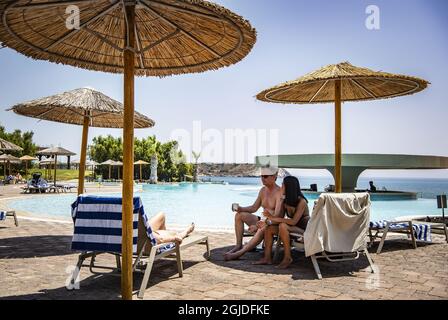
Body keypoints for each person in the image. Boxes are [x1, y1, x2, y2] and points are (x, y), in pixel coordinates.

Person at [224, 166, 282, 261]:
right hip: (262, 220)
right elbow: (254, 208)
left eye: (266, 176)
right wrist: (240, 208)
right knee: (239, 215)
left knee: (262, 227)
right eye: (262, 176)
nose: (263, 179)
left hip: (273, 224)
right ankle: (238, 245)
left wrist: (258, 225)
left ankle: (240, 253)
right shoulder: (263, 190)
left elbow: (277, 216)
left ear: (274, 176)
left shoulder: (279, 193)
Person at [255, 176, 310, 269]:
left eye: (283, 185)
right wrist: (267, 222)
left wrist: (273, 218)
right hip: (293, 228)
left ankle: (287, 258)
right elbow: (279, 217)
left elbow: (293, 221)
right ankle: (267, 258)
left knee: (283, 226)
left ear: (289, 187)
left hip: (305, 230)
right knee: (270, 228)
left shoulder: (302, 202)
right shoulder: (285, 200)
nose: (281, 187)